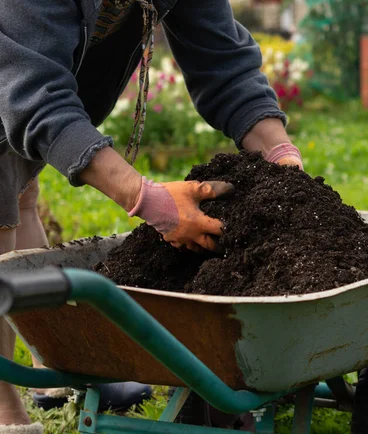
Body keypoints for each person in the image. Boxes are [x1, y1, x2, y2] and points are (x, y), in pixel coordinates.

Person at [0, 0, 303, 432]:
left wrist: (279, 150)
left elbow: (224, 62)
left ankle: (55, 375)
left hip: (22, 76)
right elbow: (32, 95)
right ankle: (3, 408)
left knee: (21, 193)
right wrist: (148, 199)